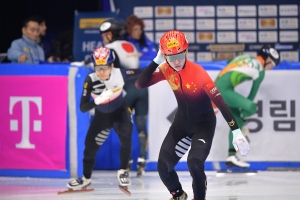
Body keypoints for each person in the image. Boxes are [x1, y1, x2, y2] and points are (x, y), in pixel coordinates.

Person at [135, 30, 250, 200]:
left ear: (186, 51)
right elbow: (140, 83)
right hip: (181, 123)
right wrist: (157, 61)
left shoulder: (198, 72)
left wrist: (236, 131)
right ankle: (179, 195)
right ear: (164, 56)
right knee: (163, 167)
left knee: (195, 164)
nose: (176, 61)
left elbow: (220, 102)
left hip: (204, 125)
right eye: (170, 57)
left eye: (180, 55)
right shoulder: (166, 68)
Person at [67, 46, 142, 190]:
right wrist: (97, 100)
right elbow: (83, 107)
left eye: (105, 67)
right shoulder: (90, 79)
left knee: (126, 136)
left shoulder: (120, 73)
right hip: (102, 116)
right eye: (97, 68)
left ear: (112, 66)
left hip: (120, 113)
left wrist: (160, 65)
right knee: (89, 148)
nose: (101, 72)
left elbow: (142, 72)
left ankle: (122, 171)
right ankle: (86, 179)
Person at [214, 44, 280, 168]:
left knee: (236, 121)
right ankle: (241, 125)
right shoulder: (260, 71)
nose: (272, 68)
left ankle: (231, 156)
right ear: (268, 60)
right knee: (252, 107)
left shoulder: (246, 57)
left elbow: (228, 64)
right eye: (273, 64)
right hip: (223, 90)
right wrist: (245, 117)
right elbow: (251, 98)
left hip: (218, 86)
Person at [99, 18, 148, 176]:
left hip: (127, 88)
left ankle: (126, 161)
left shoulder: (109, 47)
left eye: (105, 34)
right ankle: (141, 159)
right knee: (141, 125)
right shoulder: (131, 45)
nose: (103, 37)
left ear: (111, 34)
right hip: (142, 88)